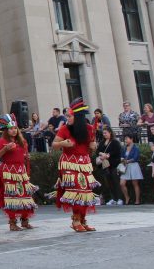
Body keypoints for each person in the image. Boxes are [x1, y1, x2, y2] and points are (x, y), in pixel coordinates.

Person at [53, 97, 99, 232]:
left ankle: (83, 220)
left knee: (85, 191)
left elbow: (90, 146)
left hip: (84, 163)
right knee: (76, 191)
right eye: (67, 116)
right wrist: (63, 143)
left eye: (69, 116)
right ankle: (76, 220)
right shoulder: (64, 129)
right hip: (69, 163)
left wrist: (93, 145)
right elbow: (54, 145)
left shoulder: (89, 129)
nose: (67, 118)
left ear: (77, 117)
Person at [0, 114, 37, 231]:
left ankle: (25, 220)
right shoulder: (2, 141)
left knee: (25, 195)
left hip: (21, 171)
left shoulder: (21, 141)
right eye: (11, 129)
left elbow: (24, 155)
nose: (13, 131)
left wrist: (27, 157)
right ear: (6, 130)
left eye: (15, 128)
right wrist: (5, 149)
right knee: (11, 196)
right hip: (8, 171)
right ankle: (12, 222)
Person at [96, 126, 123, 205]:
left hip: (113, 164)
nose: (104, 135)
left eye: (106, 133)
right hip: (105, 165)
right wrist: (101, 154)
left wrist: (108, 155)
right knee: (109, 182)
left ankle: (119, 198)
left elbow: (117, 151)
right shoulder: (102, 142)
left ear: (110, 132)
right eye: (103, 133)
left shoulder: (115, 142)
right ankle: (113, 198)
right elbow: (97, 151)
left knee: (116, 182)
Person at [119, 134, 143, 205]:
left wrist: (127, 161)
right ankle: (127, 197)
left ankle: (137, 200)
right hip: (125, 166)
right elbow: (121, 156)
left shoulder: (136, 148)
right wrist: (122, 160)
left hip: (134, 166)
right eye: (125, 139)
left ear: (131, 139)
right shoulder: (124, 148)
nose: (125, 140)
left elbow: (135, 158)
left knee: (135, 183)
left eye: (127, 139)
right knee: (122, 183)